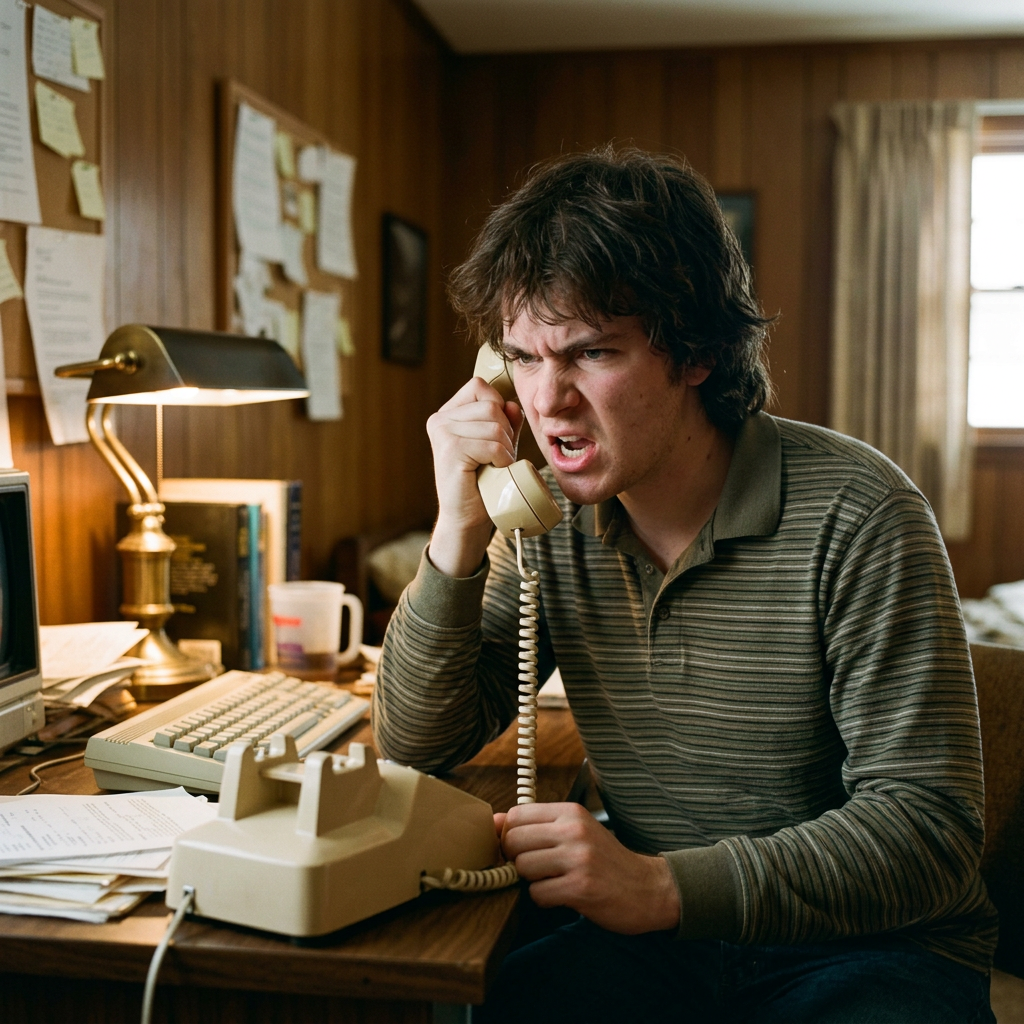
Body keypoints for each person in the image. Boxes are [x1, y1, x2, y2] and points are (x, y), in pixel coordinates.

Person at [371, 148, 997, 1023]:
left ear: (696, 352)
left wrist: (663, 885)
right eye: (520, 357)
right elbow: (414, 739)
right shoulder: (540, 517)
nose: (547, 403)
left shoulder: (862, 511)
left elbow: (927, 831)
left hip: (868, 947)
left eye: (591, 353)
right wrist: (455, 530)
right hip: (657, 946)